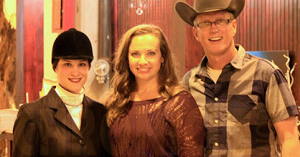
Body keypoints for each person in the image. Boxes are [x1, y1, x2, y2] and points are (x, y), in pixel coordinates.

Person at [175, 0, 300, 156]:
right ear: (196, 34)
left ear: (233, 26)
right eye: (205, 23)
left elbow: (290, 138)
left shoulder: (266, 74)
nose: (214, 28)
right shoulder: (188, 83)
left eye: (220, 21)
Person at [106, 24, 204, 157]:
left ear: (162, 57)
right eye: (135, 54)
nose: (142, 61)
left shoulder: (180, 102)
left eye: (151, 53)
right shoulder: (114, 101)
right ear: (126, 58)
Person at [13, 28, 111, 156]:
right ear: (55, 67)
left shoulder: (100, 112)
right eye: (67, 64)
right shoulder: (32, 114)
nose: (75, 72)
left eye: (81, 64)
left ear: (88, 67)